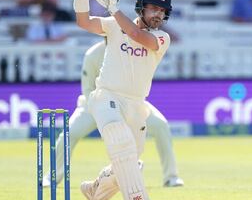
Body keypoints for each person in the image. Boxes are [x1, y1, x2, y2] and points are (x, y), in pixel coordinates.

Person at [72, 0, 174, 200]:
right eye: (153, 8)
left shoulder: (162, 39)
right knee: (121, 143)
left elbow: (137, 35)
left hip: (137, 104)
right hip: (106, 95)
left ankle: (95, 193)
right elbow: (83, 21)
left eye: (162, 11)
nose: (158, 15)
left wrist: (114, 8)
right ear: (142, 6)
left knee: (129, 162)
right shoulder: (114, 25)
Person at [43, 40, 184, 188]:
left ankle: (171, 177)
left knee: (160, 125)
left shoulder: (131, 50)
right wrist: (104, 112)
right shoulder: (93, 54)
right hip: (93, 105)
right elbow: (88, 89)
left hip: (128, 104)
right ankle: (52, 176)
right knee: (69, 133)